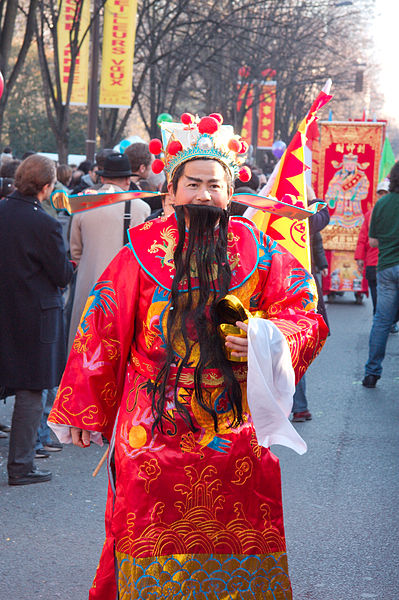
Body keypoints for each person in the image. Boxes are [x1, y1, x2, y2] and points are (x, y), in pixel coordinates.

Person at [49, 114, 328, 599]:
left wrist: (264, 336)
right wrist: (83, 410)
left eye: (213, 185)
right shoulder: (137, 252)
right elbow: (103, 330)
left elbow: (305, 314)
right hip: (151, 426)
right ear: (170, 190)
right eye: (192, 183)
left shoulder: (261, 250)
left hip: (234, 429)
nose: (203, 195)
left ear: (231, 190)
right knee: (146, 538)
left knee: (239, 536)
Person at [0, 154, 73, 485]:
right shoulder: (44, 223)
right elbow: (61, 274)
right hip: (36, 314)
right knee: (32, 389)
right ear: (46, 186)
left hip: (5, 308)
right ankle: (21, 465)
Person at [68, 152, 151, 349]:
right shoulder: (142, 208)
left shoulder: (83, 206)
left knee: (84, 345)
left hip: (88, 286)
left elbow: (75, 252)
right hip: (125, 289)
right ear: (127, 179)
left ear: (103, 178)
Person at [292, 187, 330, 422]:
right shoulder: (295, 214)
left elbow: (316, 240)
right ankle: (299, 406)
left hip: (262, 289)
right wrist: (313, 195)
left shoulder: (255, 214)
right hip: (294, 288)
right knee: (292, 351)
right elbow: (322, 214)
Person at [362, 161, 399, 388]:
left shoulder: (382, 203)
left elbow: (373, 241)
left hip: (385, 268)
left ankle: (372, 373)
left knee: (382, 322)